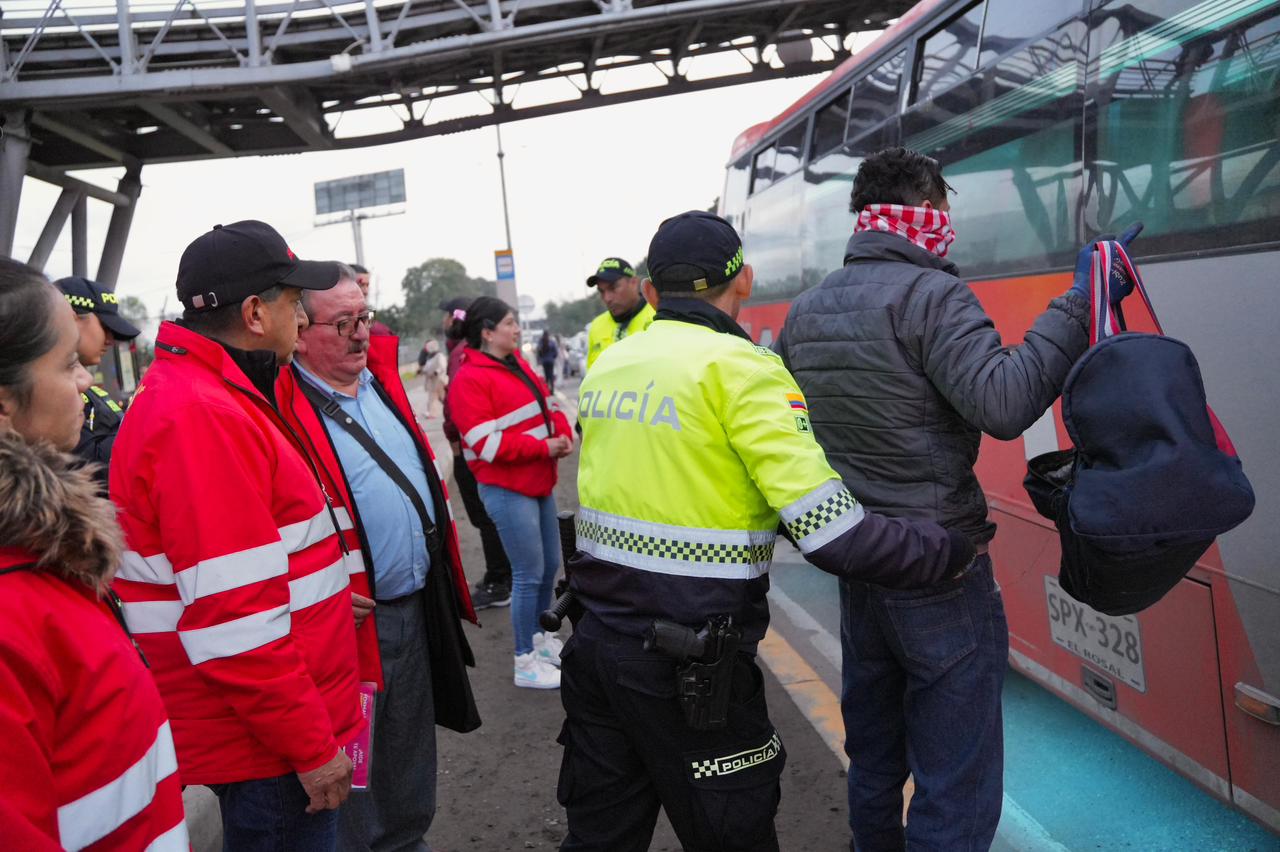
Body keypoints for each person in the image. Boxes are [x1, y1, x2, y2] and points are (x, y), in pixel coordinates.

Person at [560, 211, 973, 852]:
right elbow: (832, 534)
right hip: (691, 668)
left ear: (649, 291)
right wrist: (947, 550)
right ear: (744, 280)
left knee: (600, 838)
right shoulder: (743, 369)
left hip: (595, 649)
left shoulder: (612, 364)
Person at [777, 147, 1142, 852]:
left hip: (862, 562)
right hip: (939, 565)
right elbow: (1004, 405)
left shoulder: (807, 309)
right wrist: (1078, 303)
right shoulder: (932, 296)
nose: (948, 222)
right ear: (923, 208)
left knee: (877, 755)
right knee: (957, 776)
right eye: (943, 206)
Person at [111, 221, 363, 851]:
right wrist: (311, 749)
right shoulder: (202, 415)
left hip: (264, 730)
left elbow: (237, 571)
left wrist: (320, 593)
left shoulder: (207, 393)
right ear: (255, 312)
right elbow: (234, 624)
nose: (304, 317)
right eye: (292, 300)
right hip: (268, 748)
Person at [277, 269, 480, 852]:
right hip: (350, 624)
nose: (361, 334)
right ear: (299, 329)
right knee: (356, 770)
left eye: (364, 318)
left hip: (413, 607)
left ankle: (407, 842)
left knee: (409, 755)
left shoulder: (380, 384)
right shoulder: (282, 409)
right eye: (343, 323)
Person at [0, 258, 189, 851]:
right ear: (5, 404)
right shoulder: (16, 605)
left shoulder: (43, 556)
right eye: (67, 365)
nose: (87, 381)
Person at [447, 297, 575, 688]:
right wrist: (544, 448)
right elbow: (485, 444)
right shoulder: (469, 379)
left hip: (538, 482)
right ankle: (524, 659)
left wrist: (563, 434)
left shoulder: (517, 363)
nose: (517, 329)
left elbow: (548, 404)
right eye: (509, 323)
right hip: (506, 489)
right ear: (487, 332)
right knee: (527, 573)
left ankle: (541, 642)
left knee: (548, 565)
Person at [441, 296, 513, 610]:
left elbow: (455, 405)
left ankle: (500, 581)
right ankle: (501, 576)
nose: (444, 321)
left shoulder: (461, 355)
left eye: (447, 315)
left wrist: (454, 439)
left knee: (485, 517)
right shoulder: (470, 353)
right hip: (483, 445)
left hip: (470, 449)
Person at [54, 275, 141, 480]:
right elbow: (80, 463)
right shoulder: (45, 389)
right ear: (72, 317)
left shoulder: (92, 391)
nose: (110, 340)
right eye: (105, 326)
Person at [584, 257, 654, 370]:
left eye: (613, 288)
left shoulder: (658, 315)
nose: (607, 298)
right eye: (601, 291)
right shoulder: (596, 326)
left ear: (634, 282)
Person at [350, 263, 394, 336]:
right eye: (361, 285)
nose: (365, 291)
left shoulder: (373, 322)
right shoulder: (336, 321)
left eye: (367, 285)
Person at [417, 338, 448, 418]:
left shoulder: (439, 355)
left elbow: (442, 366)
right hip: (432, 380)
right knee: (434, 397)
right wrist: (422, 371)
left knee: (441, 397)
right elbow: (427, 367)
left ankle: (451, 409)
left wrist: (436, 372)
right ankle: (431, 413)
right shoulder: (429, 357)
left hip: (439, 379)